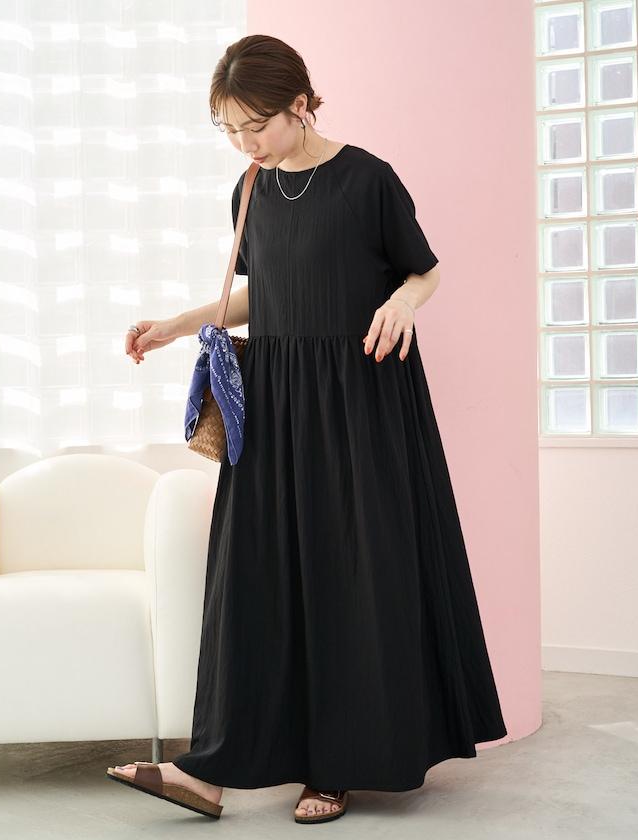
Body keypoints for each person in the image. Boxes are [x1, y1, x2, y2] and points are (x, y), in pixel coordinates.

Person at [107, 34, 507, 824]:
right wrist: (178, 324)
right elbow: (268, 293)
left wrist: (402, 302)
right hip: (275, 403)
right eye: (228, 129)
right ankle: (208, 772)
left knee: (349, 575)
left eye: (254, 125)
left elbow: (423, 269)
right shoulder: (249, 190)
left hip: (359, 400)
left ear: (300, 103)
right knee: (253, 578)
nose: (243, 143)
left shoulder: (368, 180)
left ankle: (336, 768)